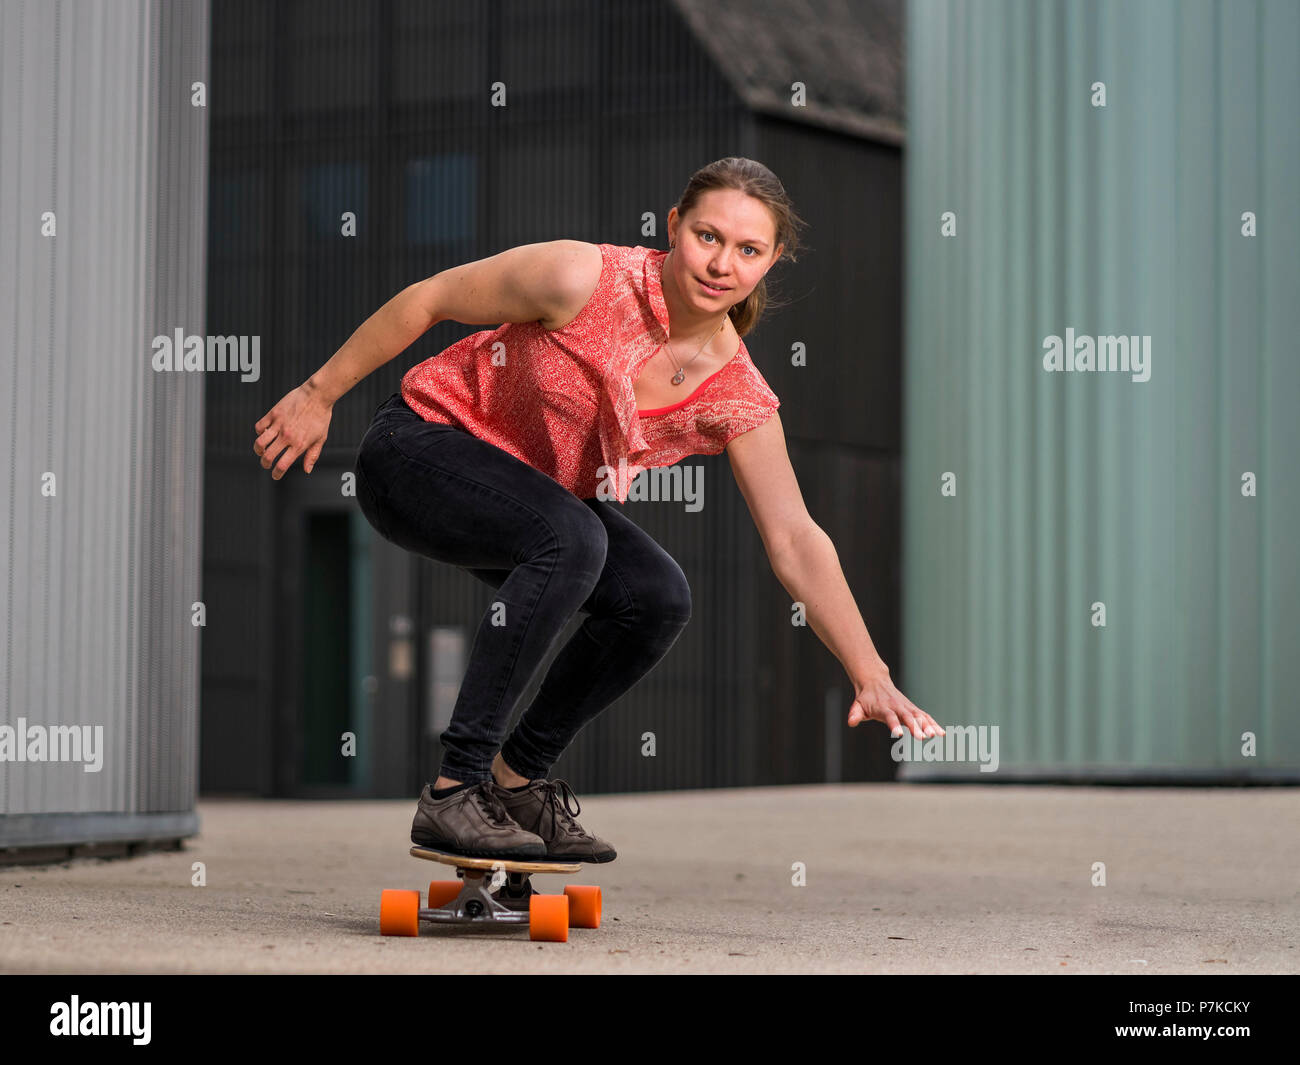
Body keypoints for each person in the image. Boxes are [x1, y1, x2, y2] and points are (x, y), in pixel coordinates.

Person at [253, 156, 944, 865]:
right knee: (573, 536)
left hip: (527, 503)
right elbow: (431, 297)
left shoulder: (737, 392)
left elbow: (795, 537)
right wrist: (318, 393)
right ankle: (454, 789)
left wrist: (869, 670)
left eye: (748, 250)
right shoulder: (583, 277)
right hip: (415, 451)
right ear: (673, 227)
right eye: (707, 236)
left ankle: (515, 781)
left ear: (770, 261)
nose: (721, 264)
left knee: (655, 595)